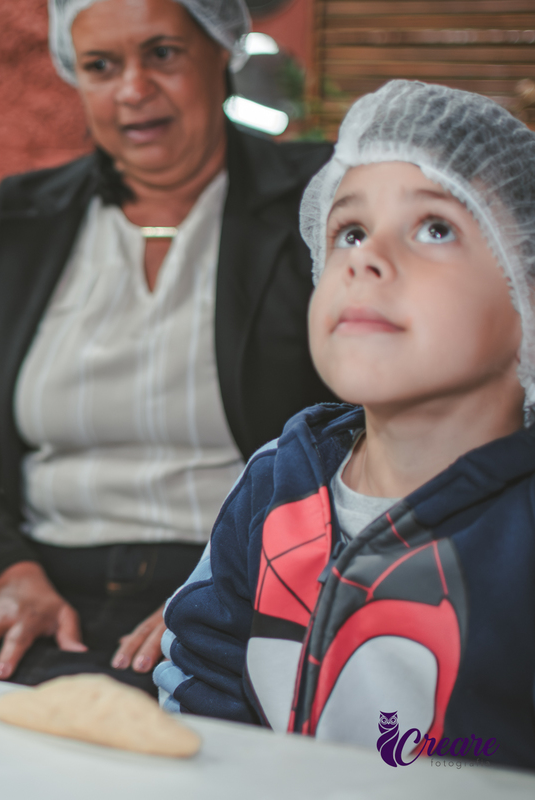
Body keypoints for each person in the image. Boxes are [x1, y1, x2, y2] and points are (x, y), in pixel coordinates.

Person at [0, 0, 336, 690]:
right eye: (102, 67)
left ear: (219, 48)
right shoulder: (21, 219)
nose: (133, 90)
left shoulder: (314, 205)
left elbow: (364, 432)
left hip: (251, 595)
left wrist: (232, 591)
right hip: (46, 598)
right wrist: (8, 575)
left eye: (163, 54)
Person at [154, 80, 535, 770]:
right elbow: (201, 669)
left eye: (435, 228)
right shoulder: (279, 479)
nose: (364, 256)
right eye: (349, 230)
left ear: (528, 292)